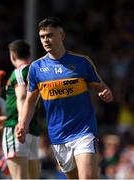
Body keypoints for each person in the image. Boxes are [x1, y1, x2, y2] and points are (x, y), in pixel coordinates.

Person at [15, 17, 114, 179]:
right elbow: (30, 101)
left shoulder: (82, 62)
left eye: (50, 35)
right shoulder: (36, 68)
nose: (45, 40)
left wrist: (106, 93)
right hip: (58, 135)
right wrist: (22, 125)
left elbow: (101, 87)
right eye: (42, 36)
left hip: (84, 131)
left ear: (62, 35)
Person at [0, 40, 40, 179]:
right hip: (33, 130)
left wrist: (20, 123)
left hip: (17, 130)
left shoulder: (19, 72)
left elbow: (22, 97)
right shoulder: (36, 73)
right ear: (29, 55)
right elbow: (32, 103)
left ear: (12, 56)